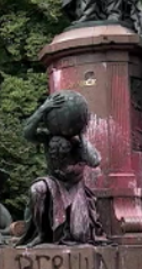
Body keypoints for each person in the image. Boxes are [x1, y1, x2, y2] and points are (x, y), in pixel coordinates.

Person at [21, 92, 107, 246]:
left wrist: (80, 135)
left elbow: (95, 161)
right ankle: (41, 234)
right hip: (54, 181)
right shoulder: (48, 137)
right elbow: (27, 134)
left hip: (74, 187)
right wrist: (42, 110)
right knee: (36, 190)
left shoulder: (77, 142)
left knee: (79, 234)